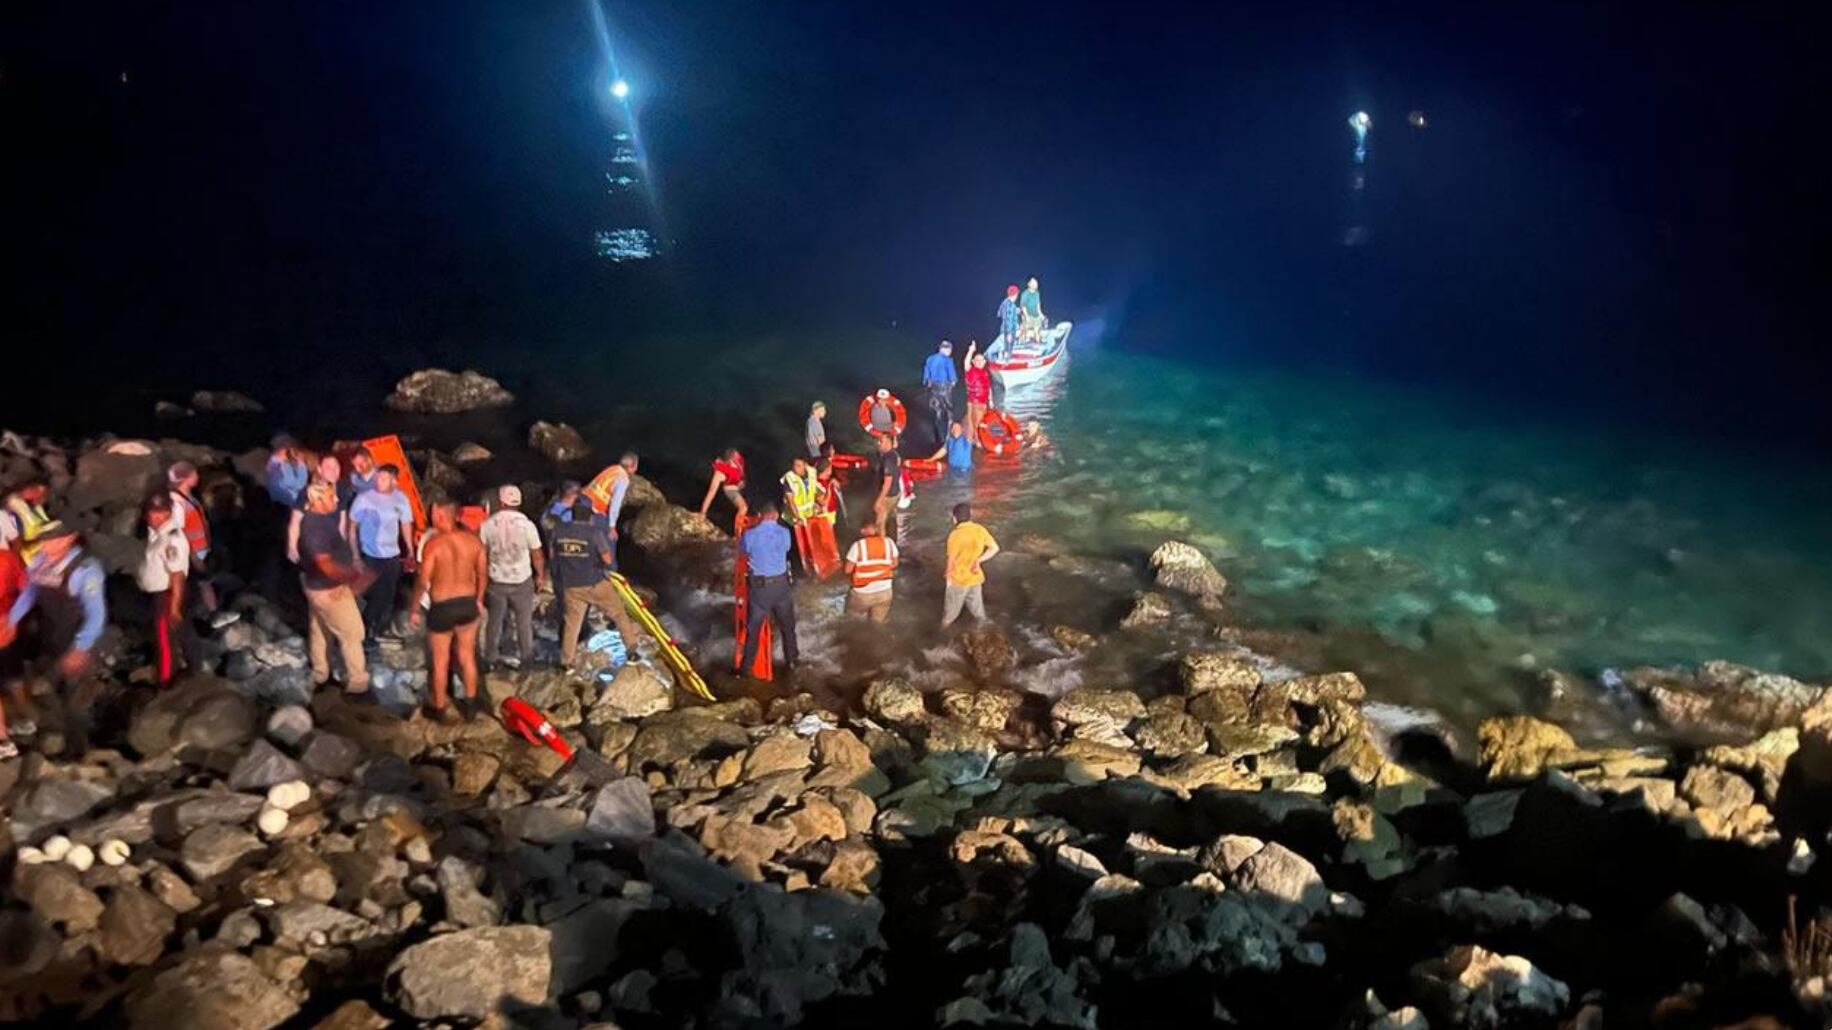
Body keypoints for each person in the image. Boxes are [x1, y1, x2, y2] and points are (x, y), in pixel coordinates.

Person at [1, 522, 108, 751]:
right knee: (50, 692)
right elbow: (30, 592)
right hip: (51, 638)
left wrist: (80, 648)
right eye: (43, 540)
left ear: (69, 538)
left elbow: (96, 615)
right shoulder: (41, 561)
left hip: (78, 641)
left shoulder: (85, 569)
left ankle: (83, 748)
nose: (45, 545)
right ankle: (60, 741)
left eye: (52, 540)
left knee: (77, 700)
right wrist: (12, 620)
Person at [410, 500, 487, 721]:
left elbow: (423, 581)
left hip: (442, 606)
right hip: (467, 603)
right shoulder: (474, 541)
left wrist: (414, 608)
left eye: (434, 513)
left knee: (440, 660)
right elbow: (482, 574)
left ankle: (439, 707)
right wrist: (479, 598)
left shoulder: (434, 545)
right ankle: (470, 706)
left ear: (441, 515)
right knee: (467, 656)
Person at [294, 479, 370, 696]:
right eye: (330, 496)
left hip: (318, 586)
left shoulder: (320, 520)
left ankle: (320, 674)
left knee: (320, 629)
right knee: (352, 633)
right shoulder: (315, 528)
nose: (336, 499)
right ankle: (358, 684)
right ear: (317, 500)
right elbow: (324, 564)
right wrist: (352, 576)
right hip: (329, 589)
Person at [550, 499, 646, 669]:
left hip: (571, 586)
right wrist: (607, 568)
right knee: (619, 614)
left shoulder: (558, 531)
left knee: (572, 625)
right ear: (589, 516)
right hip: (595, 584)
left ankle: (567, 662)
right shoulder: (593, 533)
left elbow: (553, 556)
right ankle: (632, 651)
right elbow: (607, 558)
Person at [479, 485, 545, 670]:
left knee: (495, 621)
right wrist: (540, 575)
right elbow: (537, 554)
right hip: (521, 580)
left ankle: (491, 659)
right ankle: (526, 659)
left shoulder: (488, 525)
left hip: (496, 581)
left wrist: (481, 579)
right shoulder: (527, 525)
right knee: (524, 623)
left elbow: (481, 555)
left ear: (501, 502)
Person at [347, 464, 416, 639]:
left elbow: (405, 524)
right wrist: (355, 556)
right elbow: (352, 527)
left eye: (384, 478)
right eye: (378, 477)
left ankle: (379, 629)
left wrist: (410, 550)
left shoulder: (401, 498)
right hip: (370, 554)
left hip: (391, 555)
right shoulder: (364, 499)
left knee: (388, 595)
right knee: (372, 594)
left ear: (394, 481)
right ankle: (363, 630)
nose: (379, 481)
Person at [140, 492, 195, 687]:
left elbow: (177, 574)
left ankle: (166, 680)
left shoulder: (171, 538)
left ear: (169, 512)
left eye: (162, 512)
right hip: (159, 596)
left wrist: (174, 607)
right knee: (166, 638)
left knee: (165, 641)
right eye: (153, 512)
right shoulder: (157, 534)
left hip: (168, 594)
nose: (157, 516)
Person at [737, 503, 797, 674]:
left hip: (760, 589)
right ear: (776, 515)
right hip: (781, 586)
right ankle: (791, 661)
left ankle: (746, 668)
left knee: (753, 629)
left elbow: (742, 551)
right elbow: (787, 548)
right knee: (787, 627)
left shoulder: (750, 534)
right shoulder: (784, 533)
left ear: (760, 515)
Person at [0, 535, 38, 759]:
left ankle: (2, 740)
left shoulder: (6, 559)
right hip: (9, 629)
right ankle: (25, 720)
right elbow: (28, 589)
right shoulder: (8, 558)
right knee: (12, 678)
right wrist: (14, 617)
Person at [167, 462, 218, 613]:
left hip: (199, 550)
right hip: (191, 553)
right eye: (194, 474)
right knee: (200, 583)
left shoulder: (188, 497)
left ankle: (208, 612)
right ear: (184, 478)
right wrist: (192, 554)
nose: (197, 477)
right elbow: (178, 531)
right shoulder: (177, 502)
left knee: (202, 583)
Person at [942, 502, 1000, 627]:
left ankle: (942, 634)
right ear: (970, 516)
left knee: (949, 615)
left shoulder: (955, 535)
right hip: (975, 577)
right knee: (979, 613)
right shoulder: (980, 530)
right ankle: (984, 632)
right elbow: (995, 548)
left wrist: (948, 577)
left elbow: (951, 560)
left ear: (954, 518)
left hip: (959, 580)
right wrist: (978, 560)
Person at [842, 521, 899, 622]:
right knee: (877, 623)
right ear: (876, 529)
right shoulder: (889, 542)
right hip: (885, 591)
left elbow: (848, 570)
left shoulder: (858, 545)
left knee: (854, 621)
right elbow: (894, 564)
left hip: (863, 593)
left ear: (862, 531)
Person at [582, 452, 640, 534]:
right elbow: (615, 504)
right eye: (636, 466)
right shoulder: (623, 479)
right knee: (609, 536)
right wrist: (612, 526)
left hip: (584, 497)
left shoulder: (613, 468)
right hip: (593, 507)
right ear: (632, 466)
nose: (636, 470)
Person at [0, 478, 52, 561]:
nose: (41, 500)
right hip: (27, 550)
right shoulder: (13, 503)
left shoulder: (32, 507)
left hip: (37, 546)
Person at [698, 448, 748, 524]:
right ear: (728, 462)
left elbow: (741, 471)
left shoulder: (737, 457)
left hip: (740, 485)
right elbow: (711, 492)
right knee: (743, 508)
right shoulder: (719, 473)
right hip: (731, 490)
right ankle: (738, 529)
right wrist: (703, 512)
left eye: (735, 460)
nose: (734, 464)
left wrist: (742, 480)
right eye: (732, 463)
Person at [264, 434, 311, 507]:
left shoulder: (275, 463)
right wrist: (301, 464)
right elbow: (299, 485)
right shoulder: (281, 466)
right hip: (287, 505)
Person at [870, 432, 902, 533]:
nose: (878, 443)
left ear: (888, 443)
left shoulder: (888, 460)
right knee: (890, 520)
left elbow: (888, 482)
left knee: (880, 525)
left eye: (881, 441)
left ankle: (881, 540)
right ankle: (892, 536)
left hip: (888, 496)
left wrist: (879, 500)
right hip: (896, 492)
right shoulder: (895, 455)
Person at [923, 340, 957, 433]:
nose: (950, 352)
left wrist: (927, 380)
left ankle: (937, 418)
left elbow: (926, 371)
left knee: (936, 402)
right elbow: (951, 372)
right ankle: (950, 420)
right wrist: (953, 380)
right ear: (943, 349)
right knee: (948, 403)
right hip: (944, 385)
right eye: (949, 349)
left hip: (934, 385)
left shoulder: (930, 358)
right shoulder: (948, 360)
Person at [964, 344, 992, 447]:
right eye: (977, 360)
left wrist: (991, 399)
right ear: (973, 362)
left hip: (983, 402)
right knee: (977, 423)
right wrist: (971, 351)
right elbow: (966, 363)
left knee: (980, 422)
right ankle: (977, 441)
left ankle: (977, 439)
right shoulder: (971, 371)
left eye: (982, 360)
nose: (980, 362)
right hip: (975, 402)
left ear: (984, 362)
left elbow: (988, 387)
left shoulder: (985, 373)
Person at [1019, 276, 1045, 343]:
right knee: (1024, 330)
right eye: (1032, 283)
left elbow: (1038, 306)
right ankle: (1020, 342)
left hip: (1036, 316)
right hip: (1027, 315)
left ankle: (1038, 343)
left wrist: (1041, 314)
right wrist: (1027, 316)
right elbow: (1023, 306)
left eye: (1036, 283)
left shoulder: (1037, 293)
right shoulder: (1025, 294)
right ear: (1028, 284)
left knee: (1037, 331)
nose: (1035, 284)